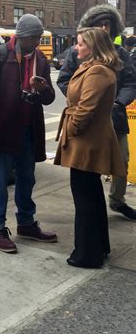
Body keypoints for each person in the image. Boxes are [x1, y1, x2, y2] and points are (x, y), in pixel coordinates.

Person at [0, 14, 57, 253]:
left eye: (40, 36)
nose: (39, 41)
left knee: (27, 177)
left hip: (30, 127)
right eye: (35, 37)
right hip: (5, 127)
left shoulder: (41, 59)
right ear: (23, 36)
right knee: (0, 179)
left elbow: (50, 97)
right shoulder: (1, 54)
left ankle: (26, 223)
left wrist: (42, 90)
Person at [55, 28, 125, 268]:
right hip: (88, 139)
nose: (76, 48)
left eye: (81, 44)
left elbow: (86, 108)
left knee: (85, 198)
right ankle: (97, 248)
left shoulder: (98, 71)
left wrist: (72, 129)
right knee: (91, 196)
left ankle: (87, 254)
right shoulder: (93, 68)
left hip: (87, 141)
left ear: (93, 46)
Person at [57, 4, 136, 220]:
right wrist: (84, 99)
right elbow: (65, 80)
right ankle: (91, 207)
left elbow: (130, 82)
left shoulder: (120, 53)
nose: (104, 28)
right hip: (89, 120)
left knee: (121, 159)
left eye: (107, 24)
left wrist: (118, 103)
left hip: (115, 117)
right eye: (99, 24)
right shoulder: (77, 53)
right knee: (87, 169)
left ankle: (117, 200)